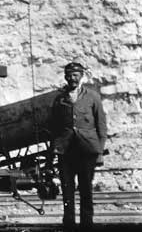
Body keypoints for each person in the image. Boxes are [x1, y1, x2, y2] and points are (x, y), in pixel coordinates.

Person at [50, 62, 107, 231]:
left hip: (87, 150)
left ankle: (87, 224)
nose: (72, 78)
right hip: (66, 151)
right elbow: (54, 127)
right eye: (69, 75)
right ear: (65, 77)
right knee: (67, 190)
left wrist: (100, 151)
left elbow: (101, 125)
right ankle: (68, 224)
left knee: (86, 189)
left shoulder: (92, 96)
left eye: (75, 75)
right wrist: (53, 150)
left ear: (81, 76)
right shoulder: (59, 98)